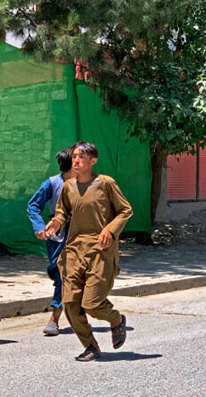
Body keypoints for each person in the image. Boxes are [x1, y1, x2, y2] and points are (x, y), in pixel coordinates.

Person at [45, 141, 133, 362]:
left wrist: (110, 230)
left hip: (100, 250)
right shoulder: (69, 186)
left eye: (82, 157)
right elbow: (62, 212)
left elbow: (125, 210)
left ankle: (115, 319)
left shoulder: (105, 183)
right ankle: (91, 346)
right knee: (70, 304)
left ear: (93, 161)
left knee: (92, 304)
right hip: (74, 250)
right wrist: (56, 222)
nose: (76, 161)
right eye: (74, 156)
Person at [27, 148, 74, 336]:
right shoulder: (53, 183)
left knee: (65, 275)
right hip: (57, 235)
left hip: (81, 235)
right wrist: (39, 227)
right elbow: (33, 205)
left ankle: (54, 319)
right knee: (59, 272)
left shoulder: (90, 184)